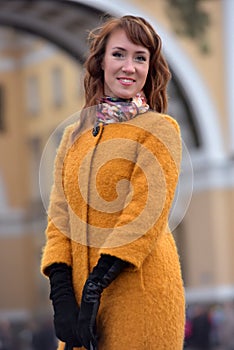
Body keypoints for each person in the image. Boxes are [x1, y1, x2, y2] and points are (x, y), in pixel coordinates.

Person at [41, 15, 185, 350]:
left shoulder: (161, 129)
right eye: (119, 54)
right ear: (101, 61)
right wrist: (61, 295)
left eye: (140, 57)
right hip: (79, 303)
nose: (129, 67)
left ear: (150, 67)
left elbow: (144, 215)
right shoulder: (72, 136)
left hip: (141, 296)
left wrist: (95, 287)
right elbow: (59, 219)